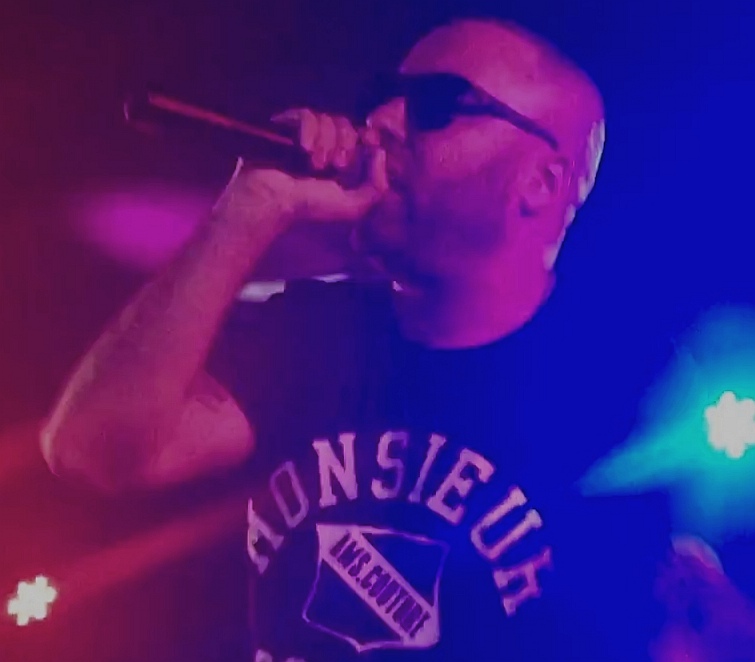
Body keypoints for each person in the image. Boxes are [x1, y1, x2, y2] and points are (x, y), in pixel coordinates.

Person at [40, 14, 749, 662]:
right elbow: (92, 450)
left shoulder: (627, 388)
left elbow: (672, 631)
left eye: (437, 104)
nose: (380, 121)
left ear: (539, 182)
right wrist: (252, 205)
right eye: (386, 95)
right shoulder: (316, 331)